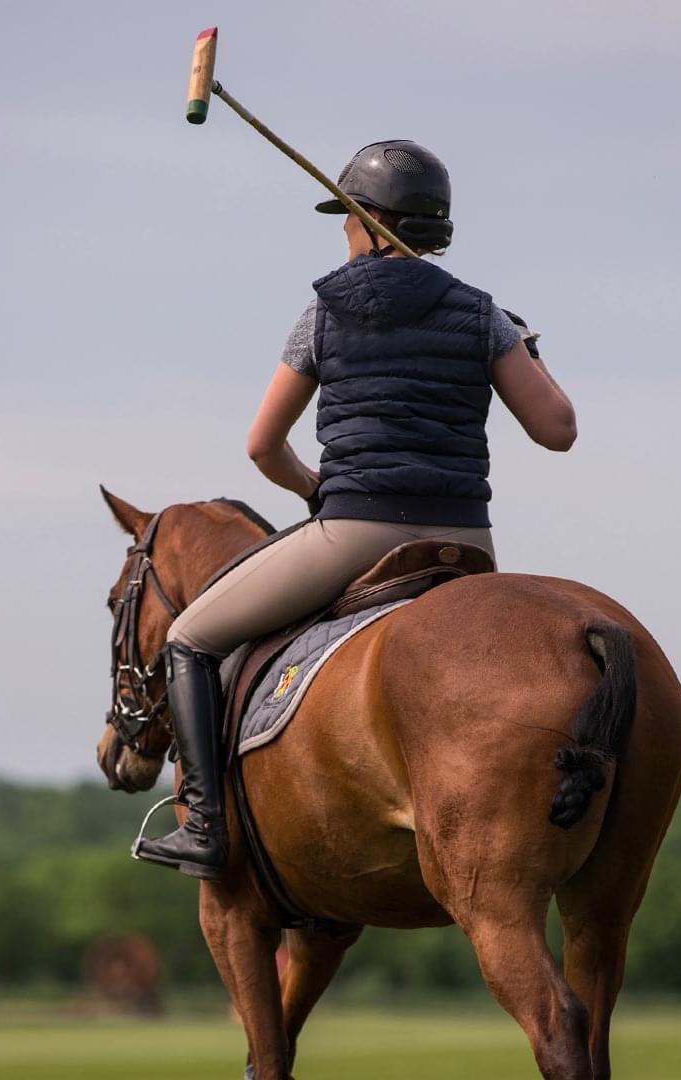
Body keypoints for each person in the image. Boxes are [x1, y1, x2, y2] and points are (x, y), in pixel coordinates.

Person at [133, 140, 577, 880]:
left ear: (373, 222)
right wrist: (525, 345)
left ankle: (206, 826)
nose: (342, 232)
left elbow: (262, 448)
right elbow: (557, 431)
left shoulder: (324, 315)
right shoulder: (482, 315)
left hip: (356, 531)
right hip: (468, 541)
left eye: (346, 217)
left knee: (189, 637)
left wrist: (316, 492)